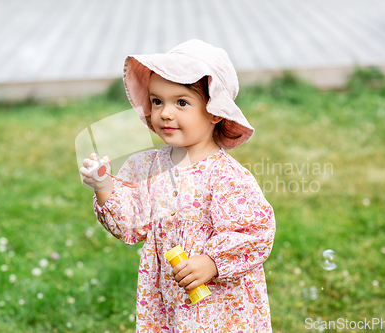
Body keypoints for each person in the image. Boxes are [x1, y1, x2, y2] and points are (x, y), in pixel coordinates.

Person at [80, 39, 276, 332]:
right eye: (157, 101)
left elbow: (256, 232)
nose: (165, 113)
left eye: (181, 102)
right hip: (167, 300)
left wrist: (212, 261)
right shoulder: (147, 167)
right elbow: (130, 225)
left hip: (218, 305)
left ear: (214, 111)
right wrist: (103, 185)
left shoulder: (226, 176)